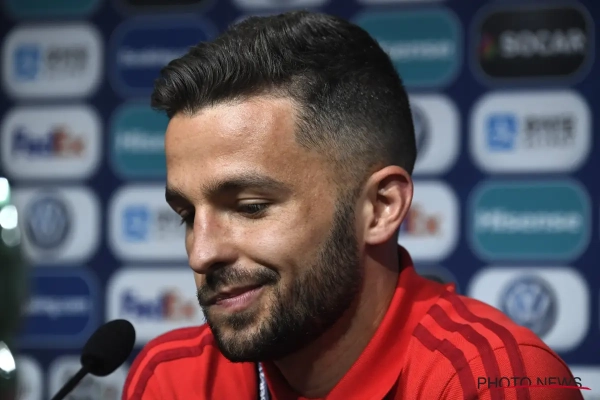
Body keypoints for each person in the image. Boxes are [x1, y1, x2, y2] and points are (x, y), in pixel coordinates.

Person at [122, 11, 583, 400]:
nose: (202, 254)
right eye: (187, 216)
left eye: (251, 207)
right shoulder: (173, 378)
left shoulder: (489, 380)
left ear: (381, 208)